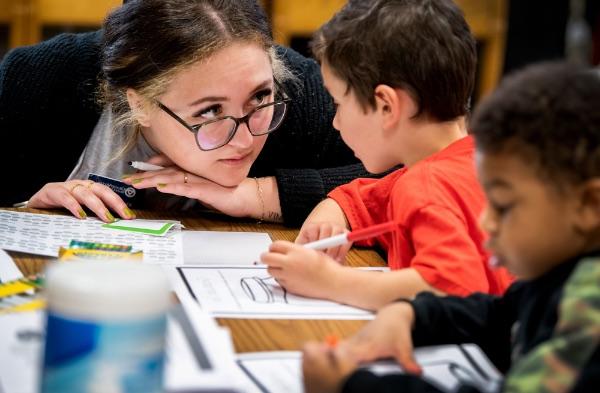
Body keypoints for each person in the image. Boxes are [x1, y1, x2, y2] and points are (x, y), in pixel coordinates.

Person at [301, 62, 600, 393]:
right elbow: (499, 316)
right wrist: (412, 316)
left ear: (588, 207)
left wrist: (351, 385)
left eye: (503, 206)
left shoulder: (589, 314)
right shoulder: (562, 275)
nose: (487, 221)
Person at [0, 0, 372, 225]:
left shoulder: (295, 87)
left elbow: (415, 169)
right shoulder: (36, 81)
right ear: (139, 103)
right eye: (210, 111)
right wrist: (23, 209)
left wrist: (262, 195)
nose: (245, 140)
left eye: (259, 98)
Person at [260, 0, 513, 311]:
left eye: (338, 105)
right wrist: (334, 209)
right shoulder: (472, 159)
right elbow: (374, 197)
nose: (336, 123)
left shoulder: (426, 185)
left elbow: (451, 289)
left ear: (386, 107)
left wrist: (328, 281)